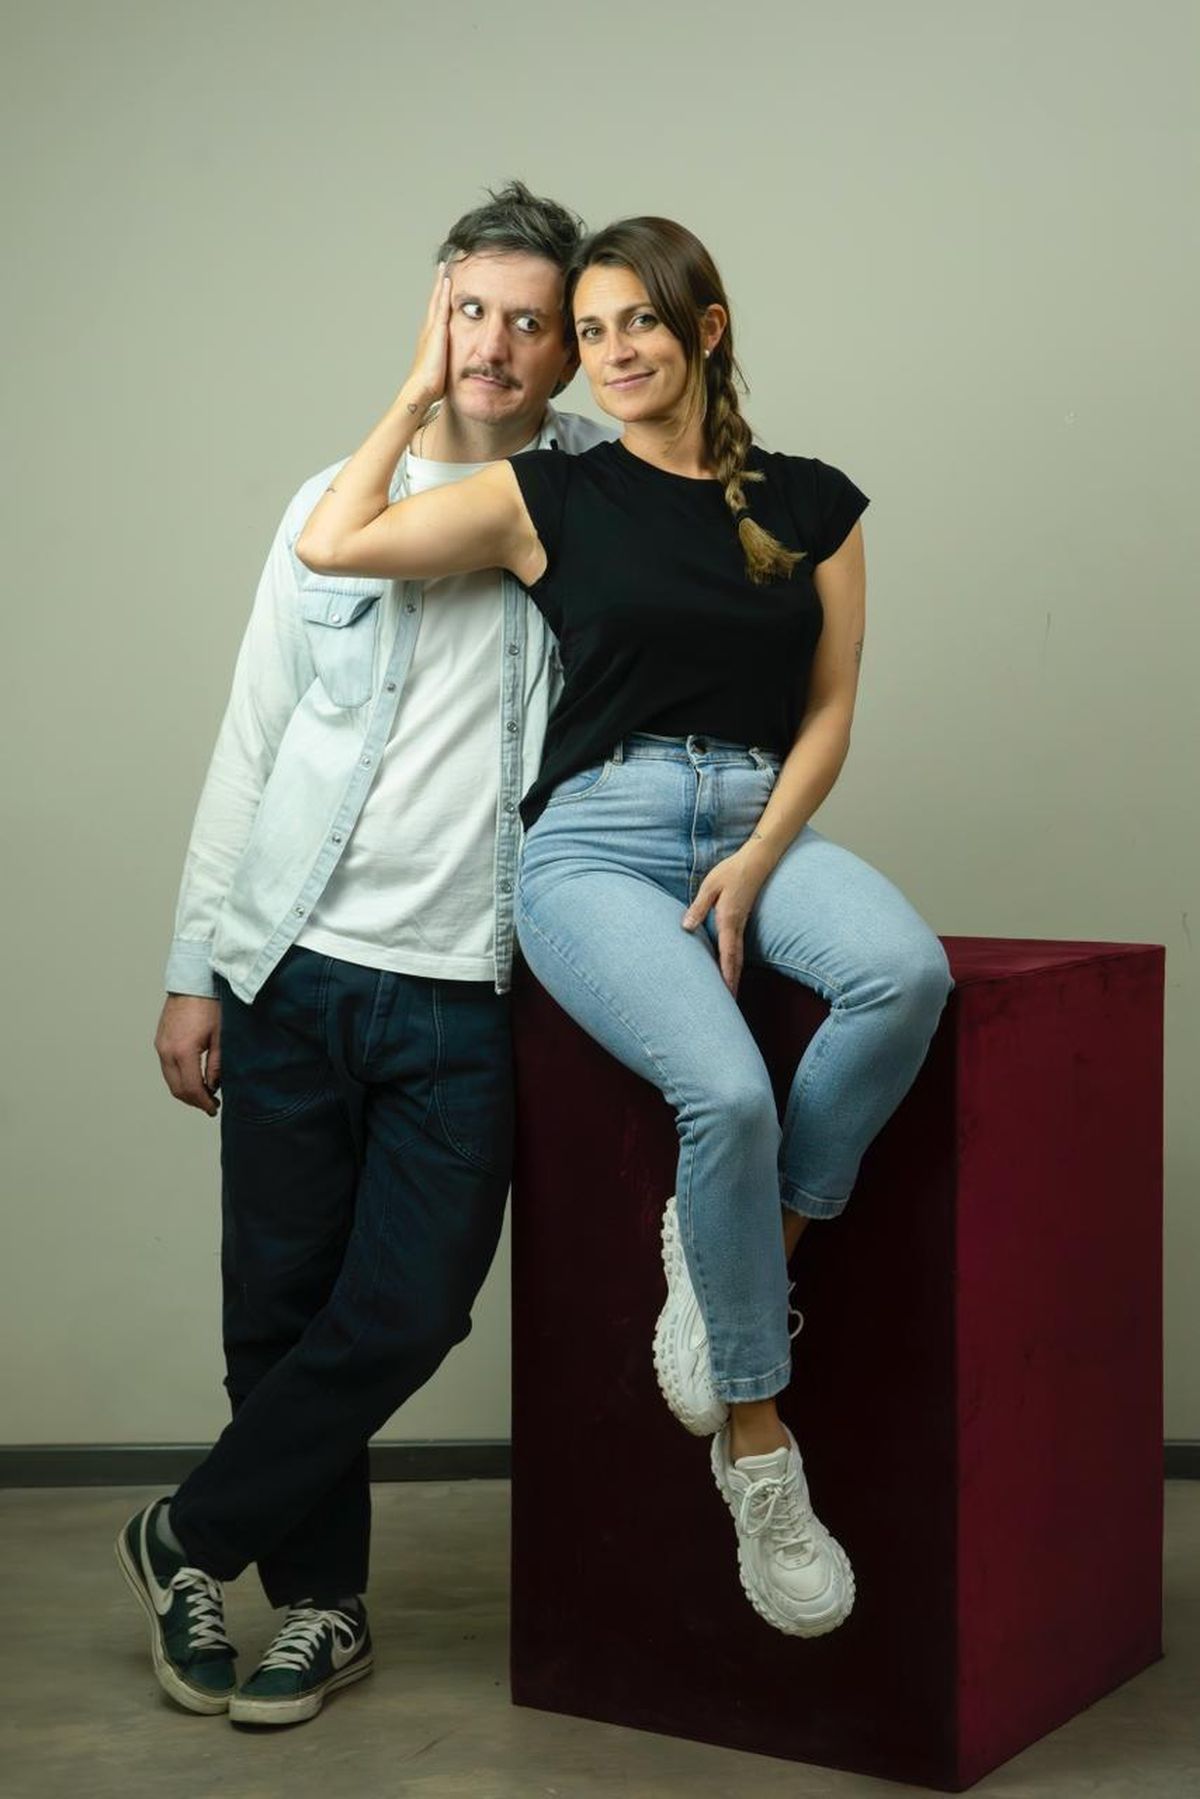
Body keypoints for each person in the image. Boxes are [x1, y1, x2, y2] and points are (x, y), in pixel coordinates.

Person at [297, 214, 954, 1643]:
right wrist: (418, 386)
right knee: (727, 1090)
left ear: (706, 328)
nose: (609, 355)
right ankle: (759, 1447)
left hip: (760, 820)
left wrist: (760, 857)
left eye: (636, 323)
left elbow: (830, 709)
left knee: (905, 974)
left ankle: (746, 1250)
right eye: (588, 333)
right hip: (595, 839)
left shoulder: (816, 502)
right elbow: (334, 542)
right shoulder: (550, 493)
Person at [117, 181, 617, 1726]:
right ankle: (321, 1608)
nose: (497, 345)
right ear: (434, 314)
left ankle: (187, 1534)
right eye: (472, 310)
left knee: (405, 1309)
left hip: (468, 988)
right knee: (274, 1310)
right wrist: (196, 964)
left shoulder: (601, 509)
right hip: (291, 967)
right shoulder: (326, 507)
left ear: (569, 348)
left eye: (532, 321)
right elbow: (252, 741)